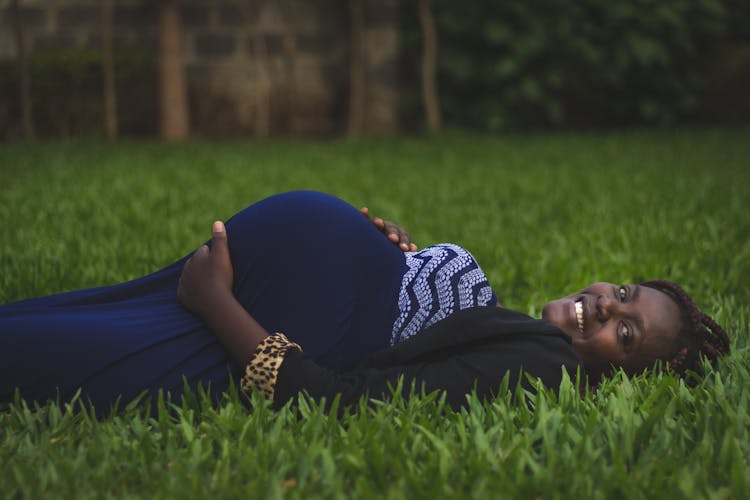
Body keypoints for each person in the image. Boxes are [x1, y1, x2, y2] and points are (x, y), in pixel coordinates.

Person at [0, 191, 730, 412]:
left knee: (46, 354)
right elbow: (411, 324)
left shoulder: (542, 368)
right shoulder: (528, 338)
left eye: (627, 336)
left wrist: (214, 298)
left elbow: (350, 400)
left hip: (226, 311)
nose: (605, 307)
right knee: (63, 322)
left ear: (628, 379)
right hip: (253, 284)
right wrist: (399, 259)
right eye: (624, 295)